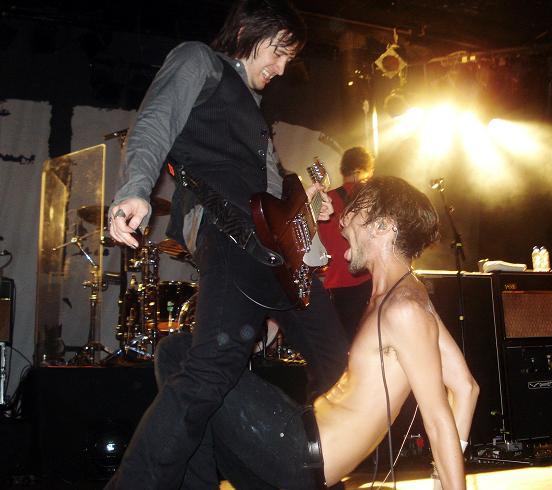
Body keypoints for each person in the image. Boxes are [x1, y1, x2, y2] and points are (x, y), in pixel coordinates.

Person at [105, 1, 348, 488]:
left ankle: (310, 474)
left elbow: (269, 195)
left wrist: (306, 208)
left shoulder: (251, 110)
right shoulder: (198, 60)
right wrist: (135, 189)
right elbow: (155, 121)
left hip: (278, 255)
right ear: (245, 32)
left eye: (288, 59)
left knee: (339, 364)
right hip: (232, 237)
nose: (281, 68)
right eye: (277, 51)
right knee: (211, 371)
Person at [156, 176, 479, 489]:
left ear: (383, 226)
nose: (342, 221)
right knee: (203, 403)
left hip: (298, 453)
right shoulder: (408, 296)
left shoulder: (404, 309)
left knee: (177, 353)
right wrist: (438, 477)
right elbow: (466, 387)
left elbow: (437, 420)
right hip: (301, 441)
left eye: (355, 211)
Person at [319, 146, 375, 343]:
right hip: (366, 278)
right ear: (362, 170)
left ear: (344, 170)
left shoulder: (326, 200)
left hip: (337, 282)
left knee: (342, 342)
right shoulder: (370, 198)